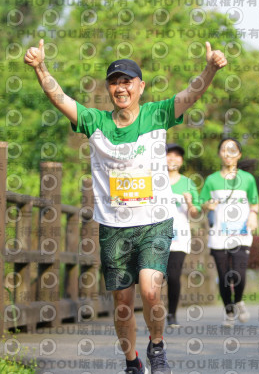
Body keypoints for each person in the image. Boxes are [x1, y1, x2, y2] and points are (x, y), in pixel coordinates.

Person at [24, 39, 227, 374]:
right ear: (109, 88)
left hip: (155, 222)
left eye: (127, 81)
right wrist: (40, 68)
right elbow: (58, 97)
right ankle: (132, 361)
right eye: (114, 82)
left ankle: (157, 347)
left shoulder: (157, 114)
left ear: (140, 86)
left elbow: (191, 94)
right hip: (114, 227)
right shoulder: (94, 121)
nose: (120, 87)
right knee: (121, 303)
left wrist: (210, 68)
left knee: (150, 290)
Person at [201, 138, 259, 326]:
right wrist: (208, 204)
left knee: (239, 274)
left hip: (242, 233)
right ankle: (229, 311)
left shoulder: (248, 179)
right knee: (224, 275)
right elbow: (202, 203)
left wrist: (254, 215)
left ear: (239, 155)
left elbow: (254, 202)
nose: (228, 154)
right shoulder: (211, 180)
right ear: (219, 153)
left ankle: (239, 300)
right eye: (224, 150)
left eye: (232, 150)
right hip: (219, 235)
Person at [165, 143, 201, 328]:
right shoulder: (155, 179)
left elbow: (196, 213)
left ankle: (171, 314)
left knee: (173, 276)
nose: (173, 159)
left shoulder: (188, 183)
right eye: (168, 155)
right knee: (153, 278)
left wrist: (190, 203)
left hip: (179, 238)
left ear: (181, 160)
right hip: (155, 236)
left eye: (177, 155)